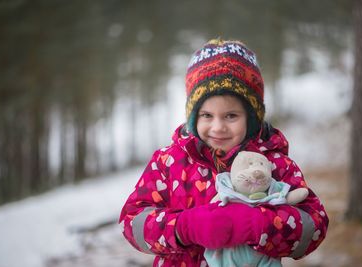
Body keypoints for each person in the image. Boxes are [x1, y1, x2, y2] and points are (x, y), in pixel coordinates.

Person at [119, 39, 328, 267]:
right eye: (207, 116)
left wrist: (256, 225)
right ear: (193, 117)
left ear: (251, 117)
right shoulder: (169, 162)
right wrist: (184, 227)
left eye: (231, 116)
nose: (218, 127)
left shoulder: (273, 162)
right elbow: (133, 223)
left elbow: (313, 225)